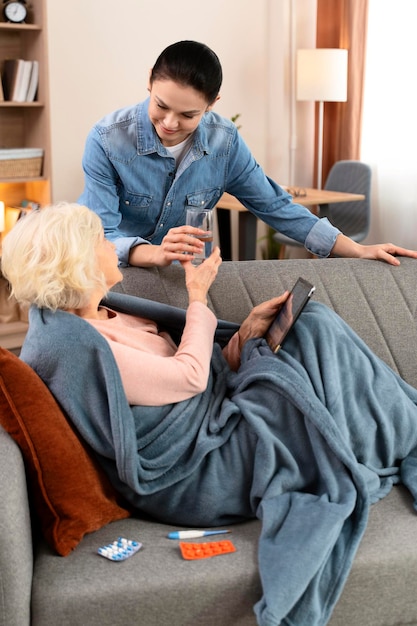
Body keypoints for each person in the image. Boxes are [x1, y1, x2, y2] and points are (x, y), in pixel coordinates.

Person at [4, 202, 417, 626]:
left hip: (211, 410)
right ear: (76, 261)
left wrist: (243, 335)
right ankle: (404, 430)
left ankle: (401, 426)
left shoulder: (101, 312)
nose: (110, 246)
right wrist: (198, 296)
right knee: (302, 363)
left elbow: (190, 373)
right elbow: (188, 379)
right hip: (201, 462)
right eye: (98, 241)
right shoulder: (77, 346)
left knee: (311, 324)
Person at [78, 40, 417, 269]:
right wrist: (155, 253)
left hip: (188, 280)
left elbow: (275, 206)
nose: (169, 123)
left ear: (212, 105)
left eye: (188, 115)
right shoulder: (107, 140)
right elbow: (104, 236)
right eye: (161, 106)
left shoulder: (225, 143)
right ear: (150, 82)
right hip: (116, 276)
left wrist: (358, 249)